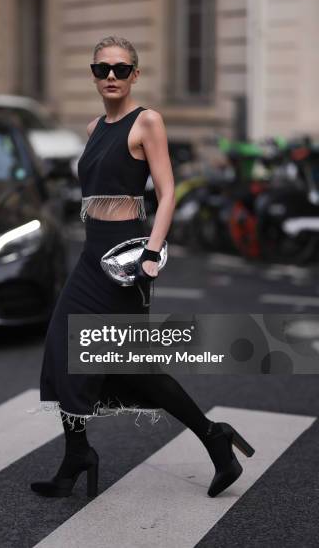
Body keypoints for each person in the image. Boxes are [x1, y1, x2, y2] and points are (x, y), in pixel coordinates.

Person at [30, 35, 255, 500]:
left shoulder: (146, 121)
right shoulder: (95, 128)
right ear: (93, 75)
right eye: (101, 70)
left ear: (134, 75)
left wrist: (152, 253)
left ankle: (212, 436)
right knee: (64, 348)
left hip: (127, 261)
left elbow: (167, 192)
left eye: (120, 69)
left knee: (130, 365)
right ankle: (79, 453)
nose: (110, 77)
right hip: (92, 257)